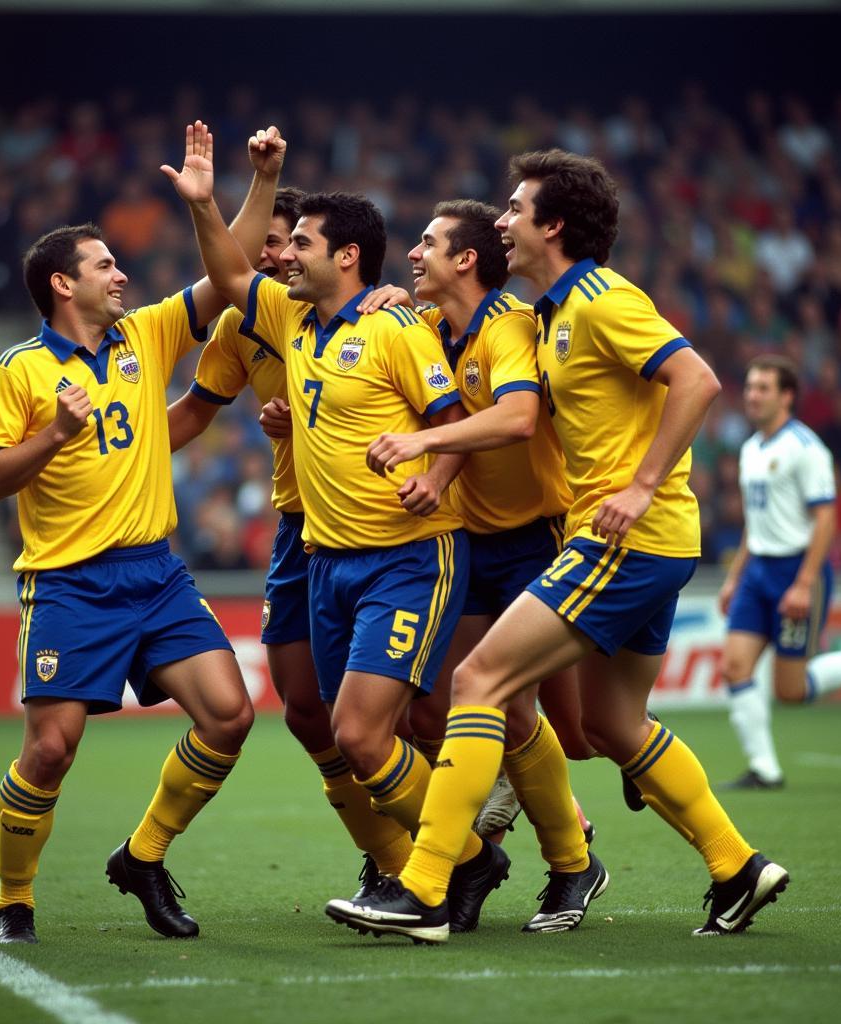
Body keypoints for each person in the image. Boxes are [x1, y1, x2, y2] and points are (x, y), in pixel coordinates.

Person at [325, 148, 788, 944]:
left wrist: (640, 486)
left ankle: (427, 887)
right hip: (642, 539)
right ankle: (737, 867)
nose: (502, 220)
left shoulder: (605, 300)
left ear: (554, 225)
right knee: (611, 727)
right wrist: (411, 300)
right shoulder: (548, 314)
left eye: (514, 208)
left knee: (479, 680)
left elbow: (699, 380)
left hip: (623, 536)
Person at [180, 121, 511, 932]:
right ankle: (464, 863)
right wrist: (211, 200)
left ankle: (459, 864)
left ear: (348, 256)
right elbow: (228, 271)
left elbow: (459, 418)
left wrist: (433, 475)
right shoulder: (291, 325)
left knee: (367, 735)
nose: (284, 255)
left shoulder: (397, 328)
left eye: (301, 244)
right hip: (326, 561)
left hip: (406, 558)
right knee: (347, 732)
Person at [0, 123, 285, 944]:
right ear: (61, 284)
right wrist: (51, 439)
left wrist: (232, 195)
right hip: (70, 582)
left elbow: (232, 279)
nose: (120, 274)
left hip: (156, 574)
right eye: (104, 265)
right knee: (50, 751)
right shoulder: (19, 372)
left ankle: (143, 855)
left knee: (228, 713)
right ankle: (14, 900)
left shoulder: (144, 337)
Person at [352, 200, 605, 933]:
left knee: (578, 728)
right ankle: (491, 856)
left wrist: (423, 452)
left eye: (427, 244)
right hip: (468, 539)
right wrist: (436, 478)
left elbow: (518, 417)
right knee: (449, 705)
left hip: (537, 538)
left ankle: (547, 844)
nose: (411, 255)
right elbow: (448, 413)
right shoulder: (431, 328)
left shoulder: (509, 325)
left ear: (466, 260)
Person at [166, 185, 413, 891]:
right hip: (300, 527)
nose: (275, 255)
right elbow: (192, 413)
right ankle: (388, 853)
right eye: (268, 244)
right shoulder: (250, 322)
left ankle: (553, 837)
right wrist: (111, 456)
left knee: (419, 705)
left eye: (287, 242)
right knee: (307, 709)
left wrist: (398, 296)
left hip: (383, 526)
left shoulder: (372, 313)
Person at [719, 355, 841, 788]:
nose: (752, 395)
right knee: (735, 666)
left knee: (789, 691)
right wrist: (735, 576)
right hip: (757, 574)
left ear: (786, 396)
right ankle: (765, 769)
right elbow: (755, 521)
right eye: (750, 387)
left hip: (796, 570)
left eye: (763, 388)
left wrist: (805, 583)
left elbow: (825, 520)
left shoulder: (806, 449)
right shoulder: (751, 449)